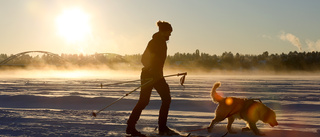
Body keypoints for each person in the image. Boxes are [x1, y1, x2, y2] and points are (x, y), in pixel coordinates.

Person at [126, 21, 177, 136]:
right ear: (163, 32)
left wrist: (157, 72)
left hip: (158, 76)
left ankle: (162, 128)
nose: (169, 36)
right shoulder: (154, 42)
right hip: (148, 76)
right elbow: (144, 59)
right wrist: (151, 70)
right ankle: (130, 127)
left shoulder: (163, 43)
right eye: (168, 33)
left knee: (166, 98)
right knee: (144, 101)